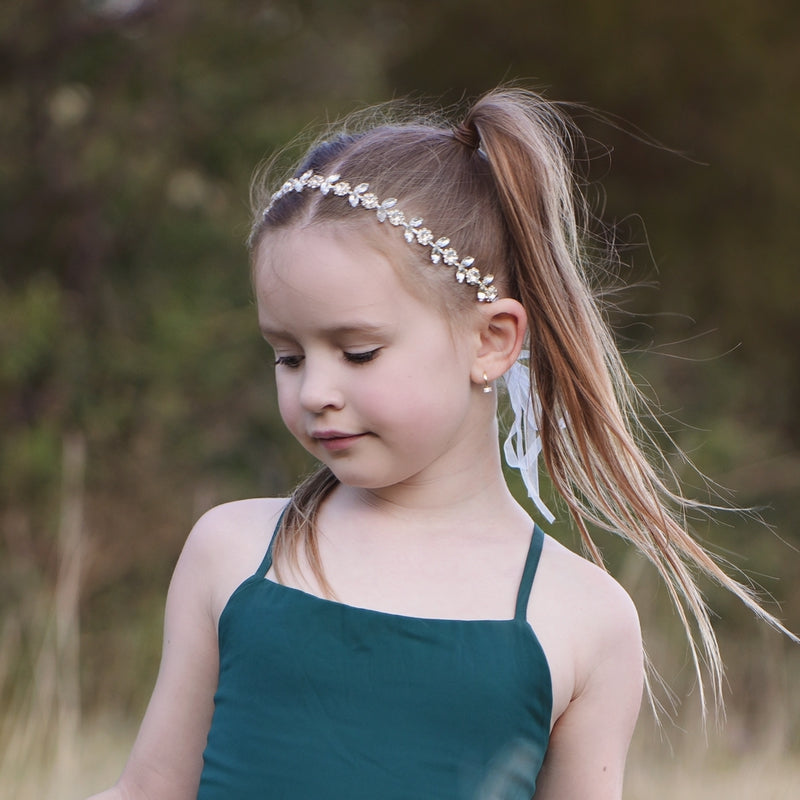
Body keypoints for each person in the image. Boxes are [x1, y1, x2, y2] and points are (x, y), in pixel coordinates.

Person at [87, 88, 794, 800]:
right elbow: (149, 789)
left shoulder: (581, 617)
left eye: (358, 352)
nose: (312, 392)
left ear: (490, 342)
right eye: (288, 356)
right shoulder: (233, 552)